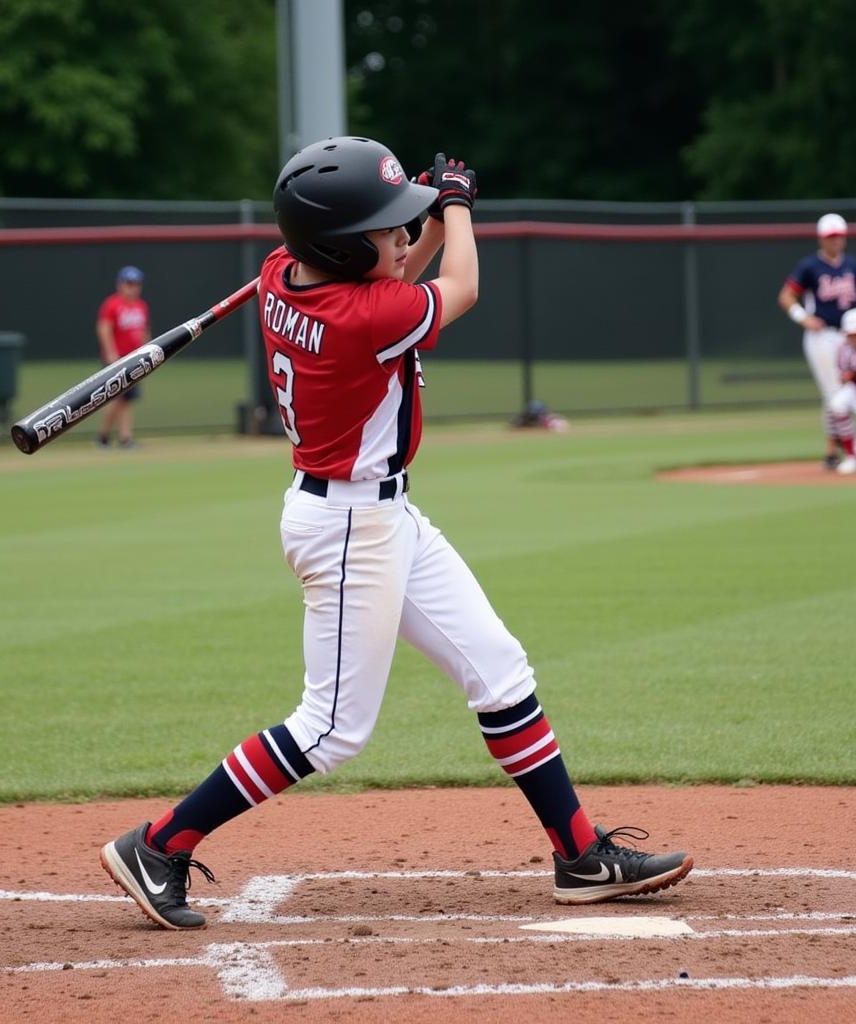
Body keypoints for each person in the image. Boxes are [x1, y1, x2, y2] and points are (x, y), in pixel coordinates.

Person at [100, 138, 693, 930]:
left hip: (379, 515)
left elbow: (394, 271)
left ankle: (581, 856)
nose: (404, 239)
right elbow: (461, 286)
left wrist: (416, 210)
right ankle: (159, 844)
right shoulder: (362, 314)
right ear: (342, 249)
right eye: (387, 230)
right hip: (352, 527)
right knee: (332, 728)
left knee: (498, 668)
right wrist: (455, 203)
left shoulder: (286, 276)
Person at [777, 213, 856, 470]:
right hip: (822, 337)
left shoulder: (851, 266)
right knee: (835, 392)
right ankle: (846, 452)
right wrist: (803, 317)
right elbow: (786, 296)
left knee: (837, 394)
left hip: (849, 338)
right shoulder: (810, 266)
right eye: (830, 237)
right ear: (822, 239)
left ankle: (832, 452)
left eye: (839, 237)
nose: (835, 242)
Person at [95, 265, 150, 449]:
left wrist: (148, 351)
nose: (133, 287)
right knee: (114, 399)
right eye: (129, 283)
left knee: (127, 401)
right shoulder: (112, 304)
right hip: (116, 360)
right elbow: (104, 328)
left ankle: (125, 438)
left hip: (134, 359)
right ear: (120, 284)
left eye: (136, 284)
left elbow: (143, 332)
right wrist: (111, 353)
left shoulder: (141, 306)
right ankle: (103, 437)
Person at [827, 307, 856, 474]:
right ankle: (851, 456)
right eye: (850, 334)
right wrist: (847, 376)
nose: (852, 337)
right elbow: (841, 374)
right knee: (837, 404)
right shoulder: (842, 348)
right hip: (853, 388)